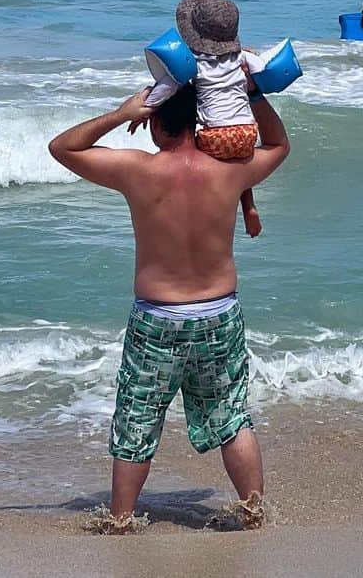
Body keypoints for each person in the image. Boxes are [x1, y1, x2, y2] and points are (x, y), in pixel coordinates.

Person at [48, 77, 291, 533]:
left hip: (158, 319)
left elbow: (63, 147)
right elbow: (279, 144)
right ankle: (254, 512)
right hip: (219, 314)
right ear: (198, 121)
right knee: (232, 416)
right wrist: (251, 94)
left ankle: (120, 520)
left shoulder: (140, 171)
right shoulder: (230, 171)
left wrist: (122, 115)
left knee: (137, 417)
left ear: (153, 120)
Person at [174, 0, 263, 239]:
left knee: (193, 144)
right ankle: (248, 206)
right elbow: (264, 69)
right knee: (240, 161)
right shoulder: (241, 57)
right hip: (247, 132)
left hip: (213, 135)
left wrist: (143, 109)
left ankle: (197, 211)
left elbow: (169, 87)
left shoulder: (194, 63)